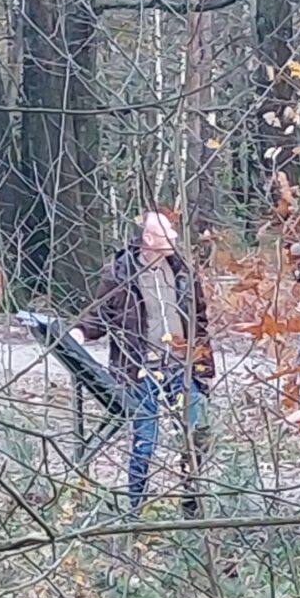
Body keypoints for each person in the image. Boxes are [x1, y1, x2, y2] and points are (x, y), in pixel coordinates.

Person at [80, 210, 212, 514]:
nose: (176, 237)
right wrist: (79, 331)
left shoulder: (182, 271)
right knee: (145, 444)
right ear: (149, 239)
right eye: (168, 231)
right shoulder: (120, 273)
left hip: (181, 367)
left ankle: (192, 505)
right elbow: (100, 315)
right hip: (141, 371)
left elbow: (199, 318)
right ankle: (135, 511)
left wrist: (201, 361)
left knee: (198, 433)